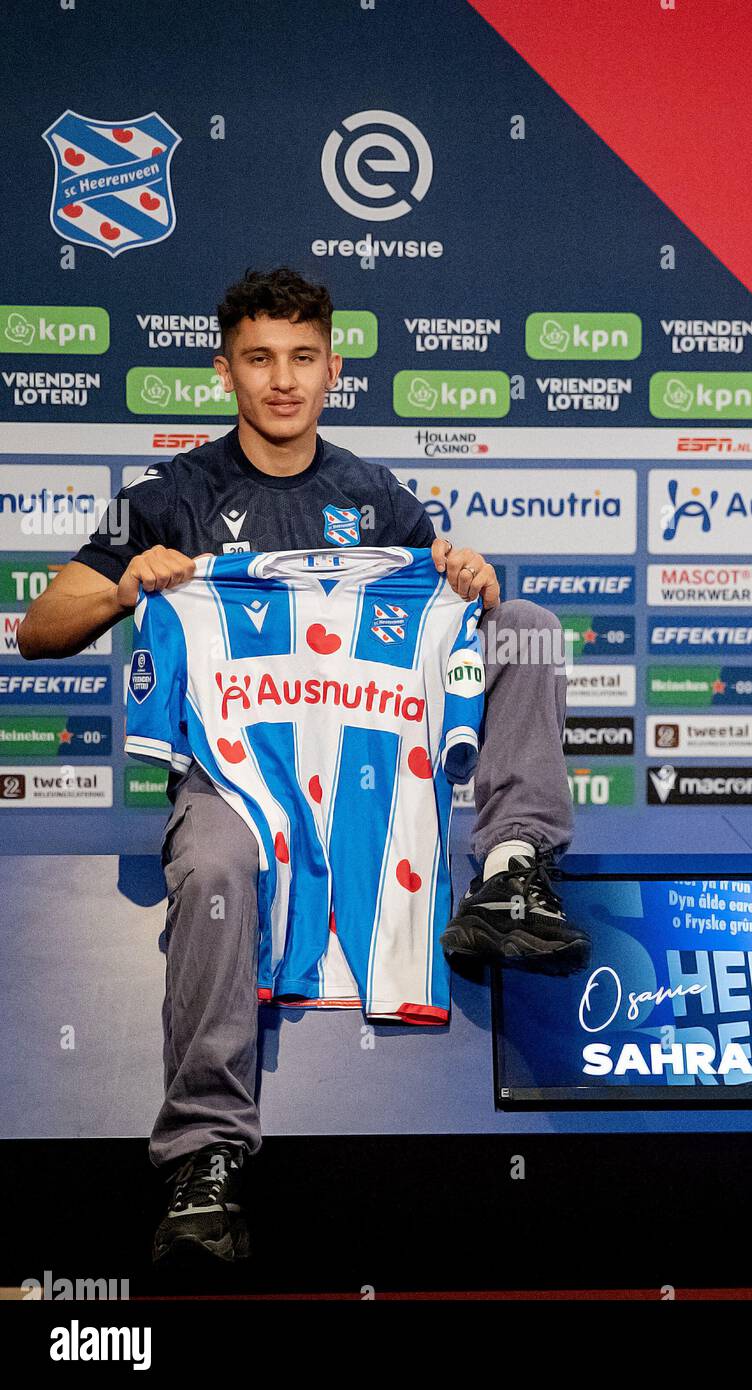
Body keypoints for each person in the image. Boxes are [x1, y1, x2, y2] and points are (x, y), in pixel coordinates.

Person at [17, 267, 590, 1264]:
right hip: (234, 775)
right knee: (219, 869)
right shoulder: (167, 496)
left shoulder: (373, 497)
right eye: (259, 360)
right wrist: (123, 588)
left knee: (530, 628)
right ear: (224, 372)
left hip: (365, 762)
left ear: (333, 369)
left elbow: (454, 629)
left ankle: (509, 876)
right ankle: (204, 1158)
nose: (283, 381)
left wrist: (471, 585)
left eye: (302, 359)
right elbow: (39, 629)